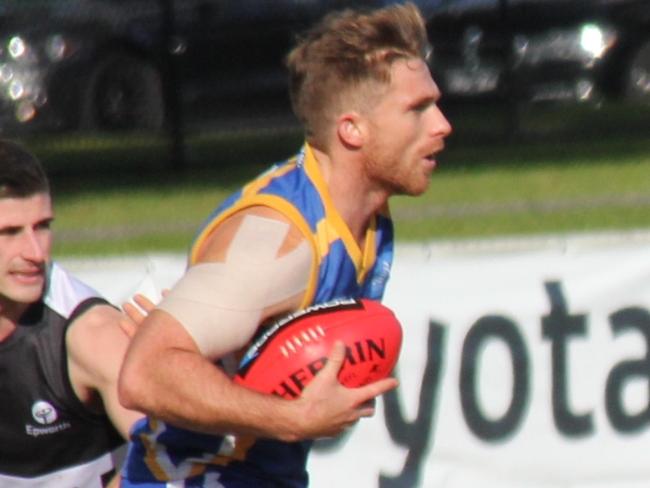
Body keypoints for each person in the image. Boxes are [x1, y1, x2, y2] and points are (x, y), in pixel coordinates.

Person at [118, 2, 452, 486]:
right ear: (352, 129)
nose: (442, 124)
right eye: (417, 109)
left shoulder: (368, 222)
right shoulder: (279, 240)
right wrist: (293, 419)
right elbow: (144, 373)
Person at [0, 140, 143, 487]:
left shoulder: (91, 335)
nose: (36, 252)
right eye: (10, 232)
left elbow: (165, 458)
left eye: (43, 226)